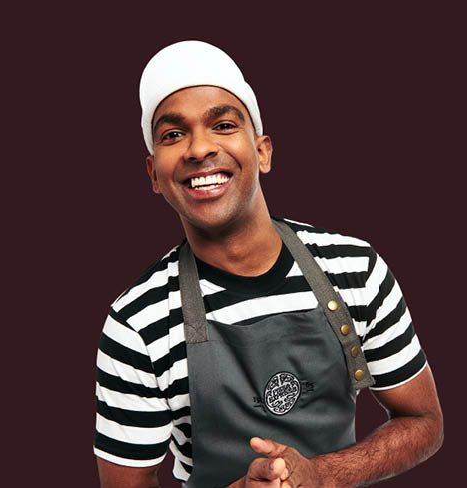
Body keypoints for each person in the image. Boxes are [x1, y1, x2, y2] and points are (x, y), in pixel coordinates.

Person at [94, 40, 443, 488]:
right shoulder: (137, 324)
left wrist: (321, 475)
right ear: (153, 175)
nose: (199, 148)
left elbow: (423, 421)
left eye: (223, 125)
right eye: (173, 135)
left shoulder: (355, 269)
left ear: (263, 152)